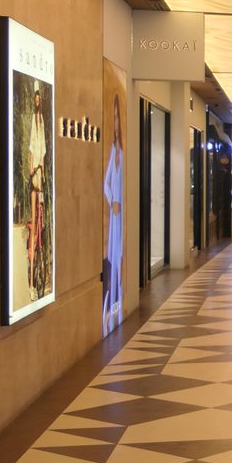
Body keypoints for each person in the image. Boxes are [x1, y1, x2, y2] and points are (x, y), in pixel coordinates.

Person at [102, 95, 125, 334]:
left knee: (120, 255)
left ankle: (118, 298)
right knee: (113, 257)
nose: (117, 123)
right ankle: (113, 303)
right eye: (115, 118)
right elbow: (106, 183)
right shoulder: (113, 150)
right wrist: (113, 202)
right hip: (116, 214)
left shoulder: (125, 152)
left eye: (119, 118)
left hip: (123, 216)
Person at [27, 85, 49, 301]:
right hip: (35, 172)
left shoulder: (41, 120)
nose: (36, 101)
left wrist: (40, 170)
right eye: (34, 98)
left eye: (38, 98)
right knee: (35, 225)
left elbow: (40, 150)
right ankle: (32, 284)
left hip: (38, 172)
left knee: (39, 224)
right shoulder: (34, 121)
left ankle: (37, 280)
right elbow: (33, 150)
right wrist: (34, 169)